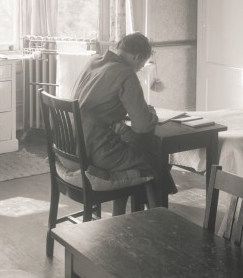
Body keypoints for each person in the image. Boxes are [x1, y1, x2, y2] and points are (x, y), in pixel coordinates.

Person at [68, 32, 177, 207]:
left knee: (137, 149)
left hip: (72, 147)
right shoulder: (125, 73)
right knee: (156, 159)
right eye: (141, 64)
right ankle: (158, 220)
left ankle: (126, 215)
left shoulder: (94, 62)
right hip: (97, 153)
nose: (139, 68)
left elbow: (99, 104)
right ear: (138, 57)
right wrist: (151, 114)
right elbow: (142, 126)